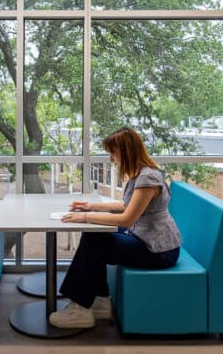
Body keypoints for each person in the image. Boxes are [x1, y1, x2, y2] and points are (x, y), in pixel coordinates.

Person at [50, 126, 181, 329]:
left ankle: (80, 309)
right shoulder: (142, 175)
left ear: (125, 151)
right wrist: (91, 206)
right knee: (96, 233)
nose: (111, 158)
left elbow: (126, 219)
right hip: (144, 237)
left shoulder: (148, 179)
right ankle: (99, 301)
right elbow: (125, 206)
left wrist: (85, 216)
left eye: (113, 152)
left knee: (96, 238)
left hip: (158, 250)